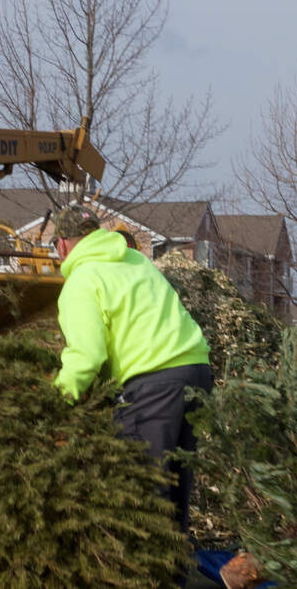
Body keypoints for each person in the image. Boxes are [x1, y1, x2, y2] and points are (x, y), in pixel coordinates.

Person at [50, 204, 213, 536]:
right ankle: (174, 575)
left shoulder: (82, 280)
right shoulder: (137, 261)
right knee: (175, 485)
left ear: (63, 244)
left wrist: (56, 401)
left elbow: (87, 355)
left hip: (155, 385)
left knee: (142, 491)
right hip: (197, 372)